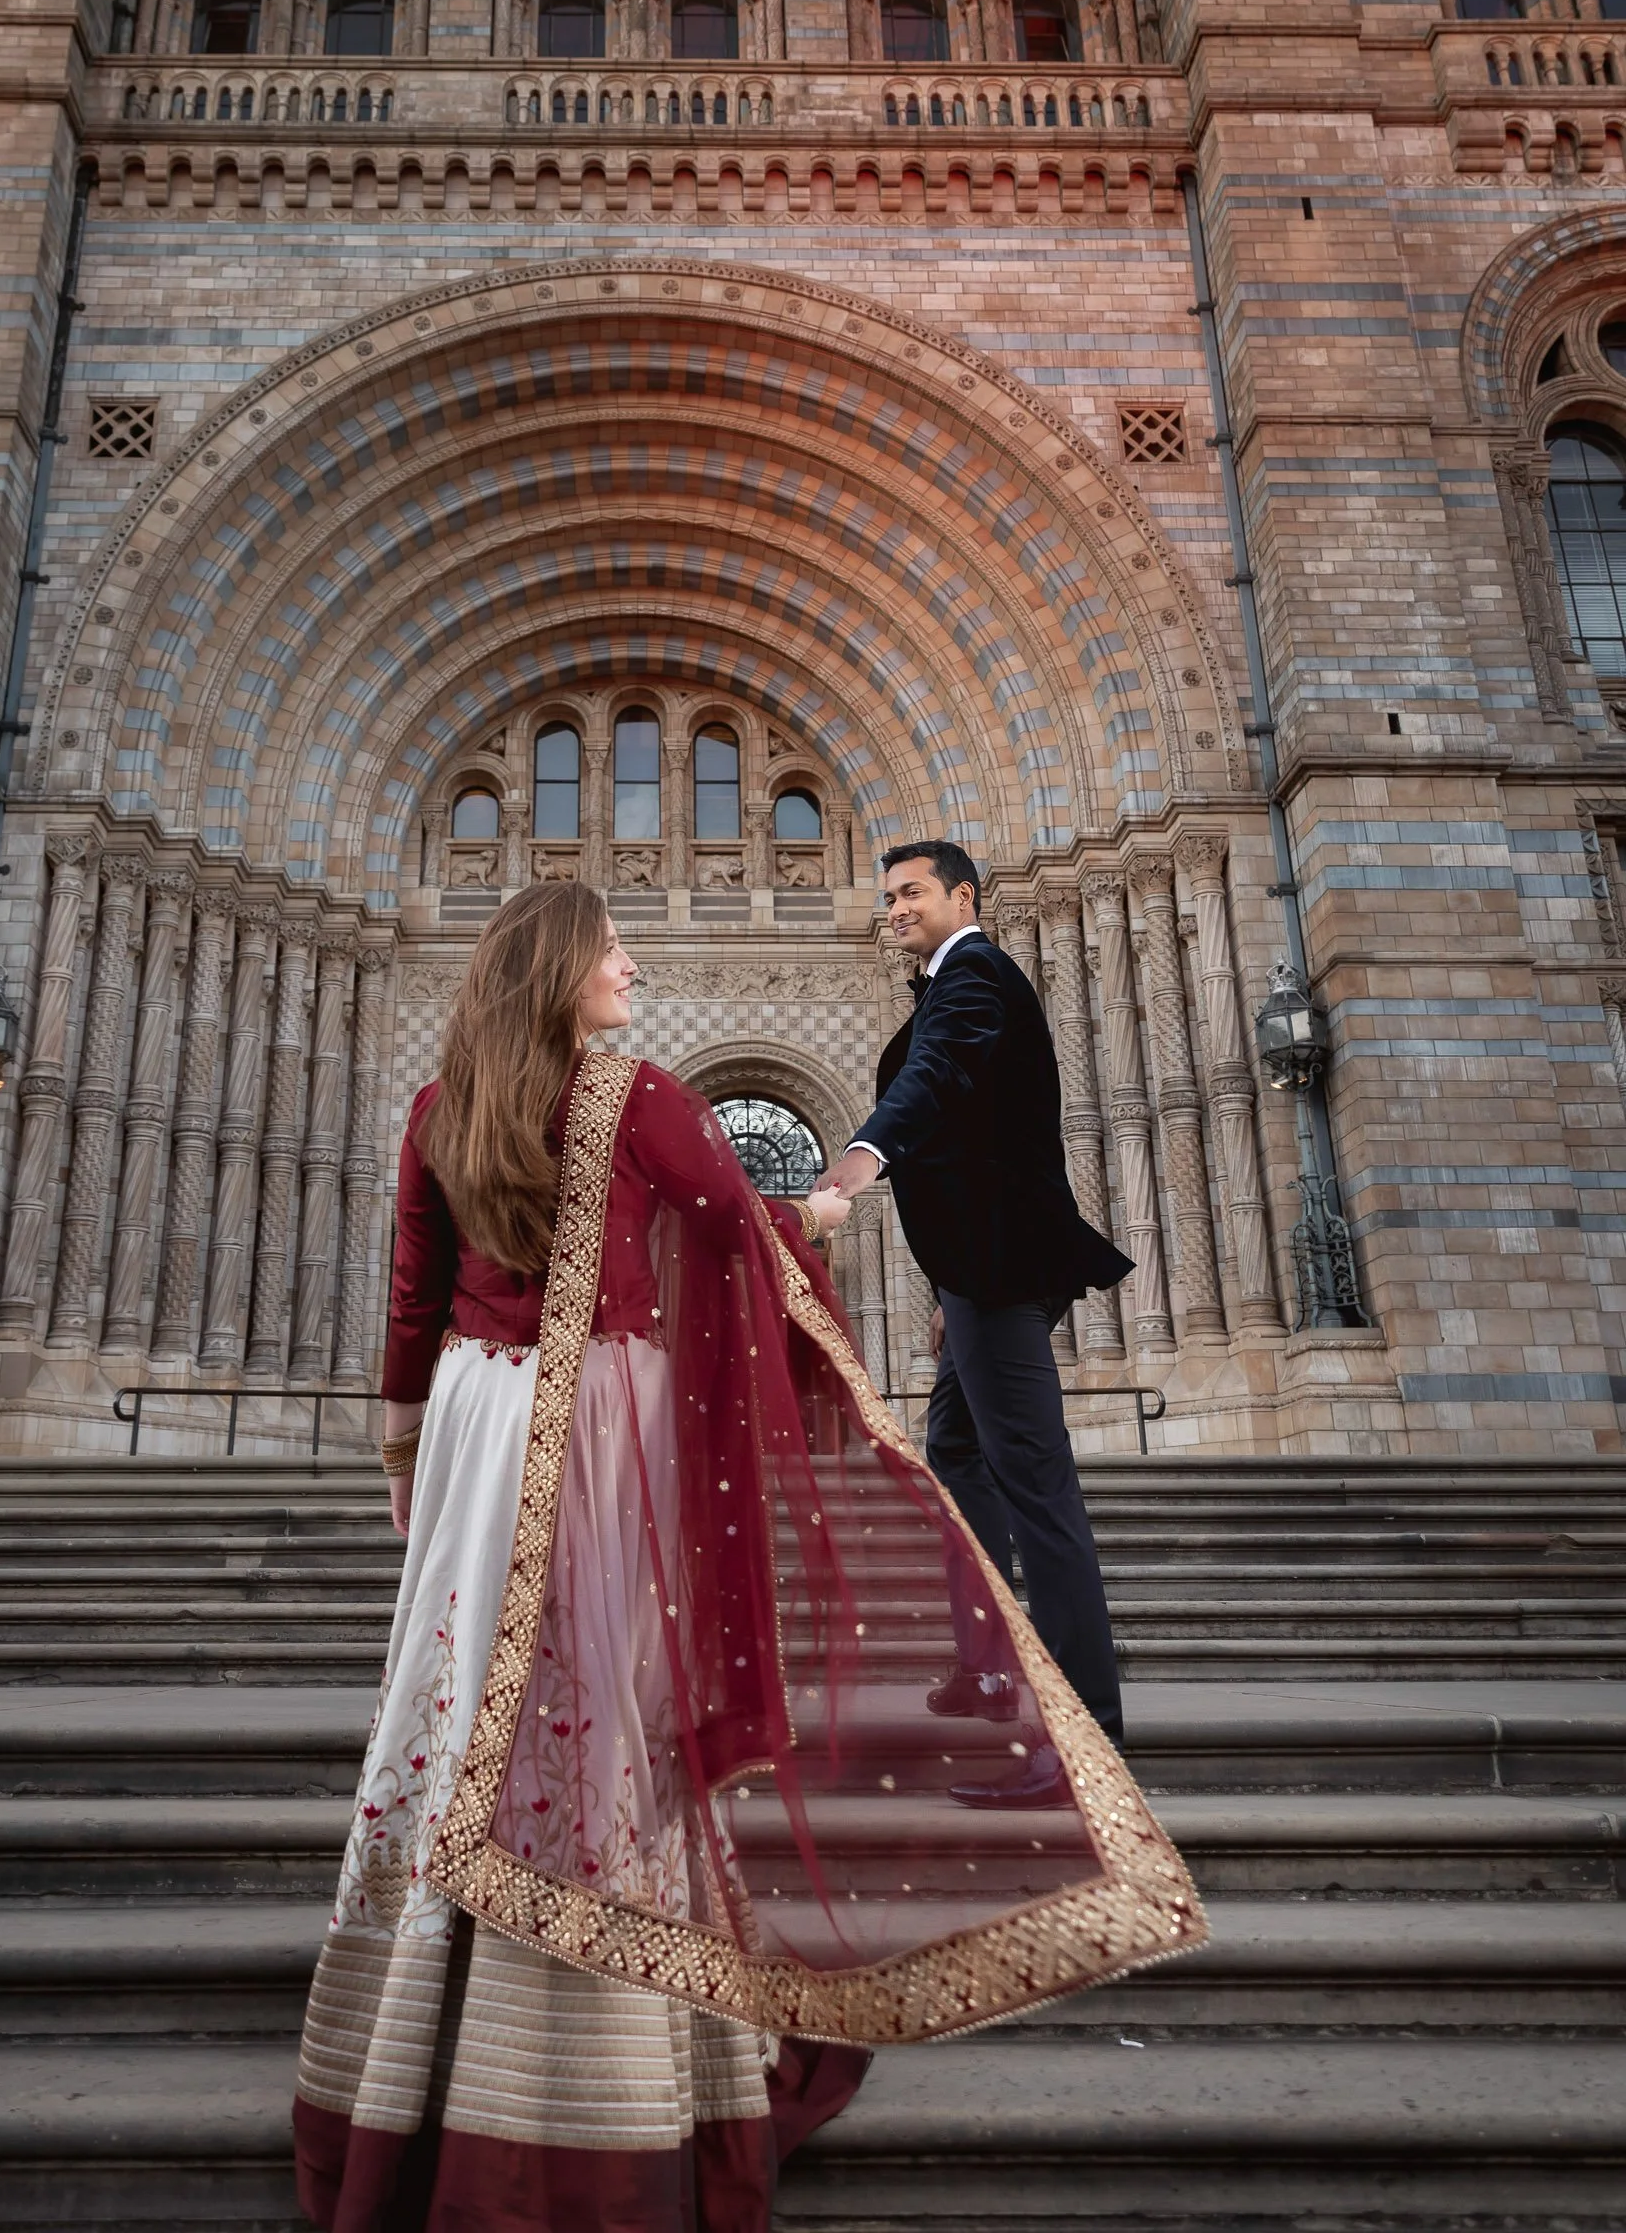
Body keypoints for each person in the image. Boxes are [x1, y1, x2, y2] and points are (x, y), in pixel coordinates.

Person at [293, 879, 1200, 2233]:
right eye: (612, 951)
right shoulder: (640, 1096)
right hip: (599, 1425)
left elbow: (413, 1302)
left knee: (463, 1688)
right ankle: (615, 2053)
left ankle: (422, 2036)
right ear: (560, 973)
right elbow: (731, 1228)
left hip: (480, 1429)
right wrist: (822, 1216)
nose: (633, 966)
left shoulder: (439, 1112)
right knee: (603, 1704)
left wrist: (407, 1456)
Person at [815, 840, 1132, 1749]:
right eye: (887, 897)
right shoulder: (959, 981)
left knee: (1037, 1485)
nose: (895, 908)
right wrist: (950, 1284)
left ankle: (1086, 1735)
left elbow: (937, 1073)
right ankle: (990, 1665)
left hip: (1000, 1268)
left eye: (911, 892)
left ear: (962, 895)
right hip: (980, 1273)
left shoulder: (977, 974)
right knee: (956, 1448)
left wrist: (863, 1158)